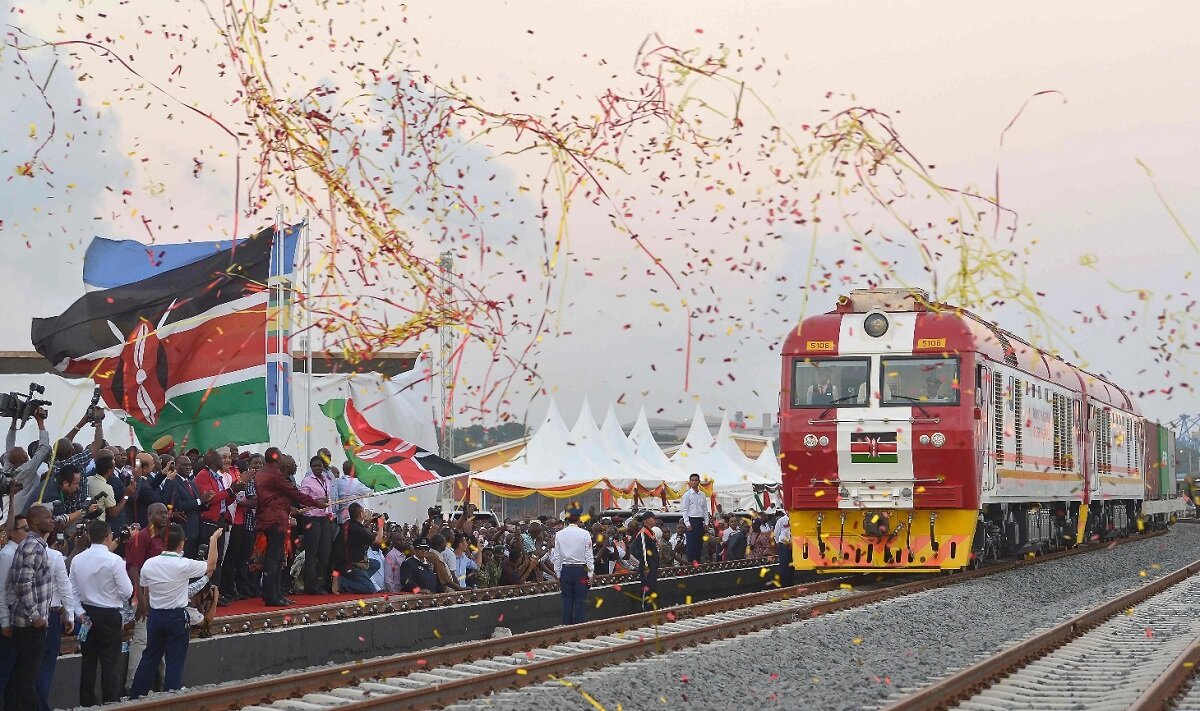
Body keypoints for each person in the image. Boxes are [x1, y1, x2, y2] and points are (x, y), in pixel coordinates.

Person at [129, 523, 221, 698]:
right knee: (175, 661)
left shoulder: (149, 564)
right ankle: (171, 697)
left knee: (149, 657)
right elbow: (211, 566)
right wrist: (213, 539)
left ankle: (136, 696)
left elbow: (147, 593)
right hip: (176, 617)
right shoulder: (183, 564)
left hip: (155, 616)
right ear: (181, 543)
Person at [255, 450, 326, 606]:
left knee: (275, 558)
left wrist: (288, 508)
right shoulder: (275, 475)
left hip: (269, 519)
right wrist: (317, 503)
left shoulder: (262, 473)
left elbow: (273, 498)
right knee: (274, 559)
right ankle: (272, 595)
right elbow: (296, 494)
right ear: (277, 458)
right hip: (275, 520)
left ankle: (274, 593)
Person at [8, 503, 55, 711]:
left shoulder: (34, 545)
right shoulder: (33, 547)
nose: (52, 521)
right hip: (30, 624)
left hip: (30, 621)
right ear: (35, 521)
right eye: (47, 517)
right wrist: (35, 616)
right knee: (28, 676)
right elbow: (22, 584)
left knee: (24, 674)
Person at [0, 510, 28, 701]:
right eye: (24, 529)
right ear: (12, 533)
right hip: (9, 614)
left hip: (19, 614)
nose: (28, 533)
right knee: (6, 668)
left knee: (17, 672)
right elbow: (2, 589)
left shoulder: (21, 552)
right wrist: (4, 621)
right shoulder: (7, 555)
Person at [298, 455, 335, 595]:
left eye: (319, 466)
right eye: (314, 466)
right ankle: (311, 586)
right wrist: (318, 501)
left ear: (323, 467)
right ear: (311, 467)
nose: (317, 468)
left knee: (325, 552)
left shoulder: (327, 480)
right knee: (312, 553)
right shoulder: (307, 481)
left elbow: (329, 500)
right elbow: (302, 501)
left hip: (325, 518)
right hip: (311, 518)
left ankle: (321, 582)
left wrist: (330, 513)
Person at [551, 505, 593, 625]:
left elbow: (557, 556)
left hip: (566, 570)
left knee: (567, 601)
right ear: (579, 518)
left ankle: (567, 627)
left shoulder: (559, 534)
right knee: (580, 601)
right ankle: (578, 628)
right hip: (581, 570)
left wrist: (558, 574)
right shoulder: (585, 534)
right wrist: (590, 574)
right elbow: (589, 556)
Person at [160, 455, 203, 558]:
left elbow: (198, 504)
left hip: (195, 528)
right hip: (184, 529)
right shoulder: (173, 482)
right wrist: (199, 501)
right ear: (176, 466)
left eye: (189, 465)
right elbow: (178, 505)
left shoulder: (191, 482)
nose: (188, 467)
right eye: (184, 465)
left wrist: (206, 502)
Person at [335, 503, 384, 594]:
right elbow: (378, 540)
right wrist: (381, 524)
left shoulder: (348, 524)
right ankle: (340, 582)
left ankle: (360, 581)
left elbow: (363, 532)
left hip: (345, 561)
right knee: (370, 589)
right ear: (361, 514)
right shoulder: (358, 529)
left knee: (375, 564)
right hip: (351, 564)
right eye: (364, 512)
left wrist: (368, 523)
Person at [630, 512, 658, 611]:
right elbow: (643, 551)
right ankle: (645, 609)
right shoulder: (643, 533)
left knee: (652, 587)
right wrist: (646, 567)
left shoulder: (651, 532)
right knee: (647, 587)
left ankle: (651, 608)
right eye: (652, 518)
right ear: (646, 520)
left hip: (653, 564)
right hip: (647, 565)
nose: (654, 520)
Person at [680, 473, 708, 564]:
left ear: (699, 482)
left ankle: (698, 563)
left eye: (696, 480)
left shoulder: (702, 494)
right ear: (690, 482)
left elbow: (705, 509)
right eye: (692, 480)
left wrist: (706, 522)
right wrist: (687, 523)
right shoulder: (687, 494)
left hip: (700, 521)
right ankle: (691, 564)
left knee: (699, 544)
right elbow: (684, 510)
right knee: (691, 545)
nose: (694, 482)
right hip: (691, 520)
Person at [774, 511, 794, 587]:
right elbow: (776, 533)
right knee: (784, 565)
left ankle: (790, 583)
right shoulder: (781, 520)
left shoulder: (795, 520)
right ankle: (784, 584)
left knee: (791, 565)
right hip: (784, 545)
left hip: (793, 545)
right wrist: (778, 543)